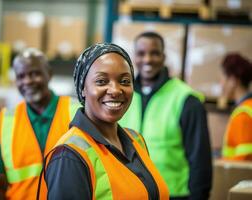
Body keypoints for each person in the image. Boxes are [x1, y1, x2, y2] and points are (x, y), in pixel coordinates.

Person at [38, 43, 169, 200]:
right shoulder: (69, 157)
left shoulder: (136, 140)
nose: (115, 90)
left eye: (125, 81)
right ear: (82, 89)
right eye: (101, 81)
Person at [119, 32, 212, 200]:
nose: (147, 59)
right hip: (131, 193)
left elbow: (200, 160)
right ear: (134, 57)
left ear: (163, 56)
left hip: (174, 195)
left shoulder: (186, 99)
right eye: (141, 54)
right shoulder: (123, 95)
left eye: (154, 53)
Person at [0, 48, 74, 200]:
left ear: (49, 74)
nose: (27, 81)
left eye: (34, 74)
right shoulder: (5, 121)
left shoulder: (76, 113)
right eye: (21, 76)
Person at [221, 53, 252, 160]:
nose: (221, 84)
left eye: (223, 78)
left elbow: (243, 161)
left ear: (233, 80)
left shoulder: (243, 115)